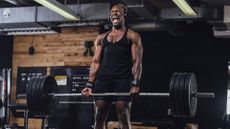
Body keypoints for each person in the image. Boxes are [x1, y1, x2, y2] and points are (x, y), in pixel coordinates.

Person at [81, 3, 143, 129]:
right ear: (110, 16)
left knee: (123, 116)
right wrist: (89, 84)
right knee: (99, 117)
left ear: (124, 14)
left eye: (118, 11)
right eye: (112, 12)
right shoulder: (101, 38)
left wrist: (135, 83)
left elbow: (137, 62)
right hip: (103, 80)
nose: (114, 13)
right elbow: (96, 62)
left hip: (123, 79)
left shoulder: (132, 36)